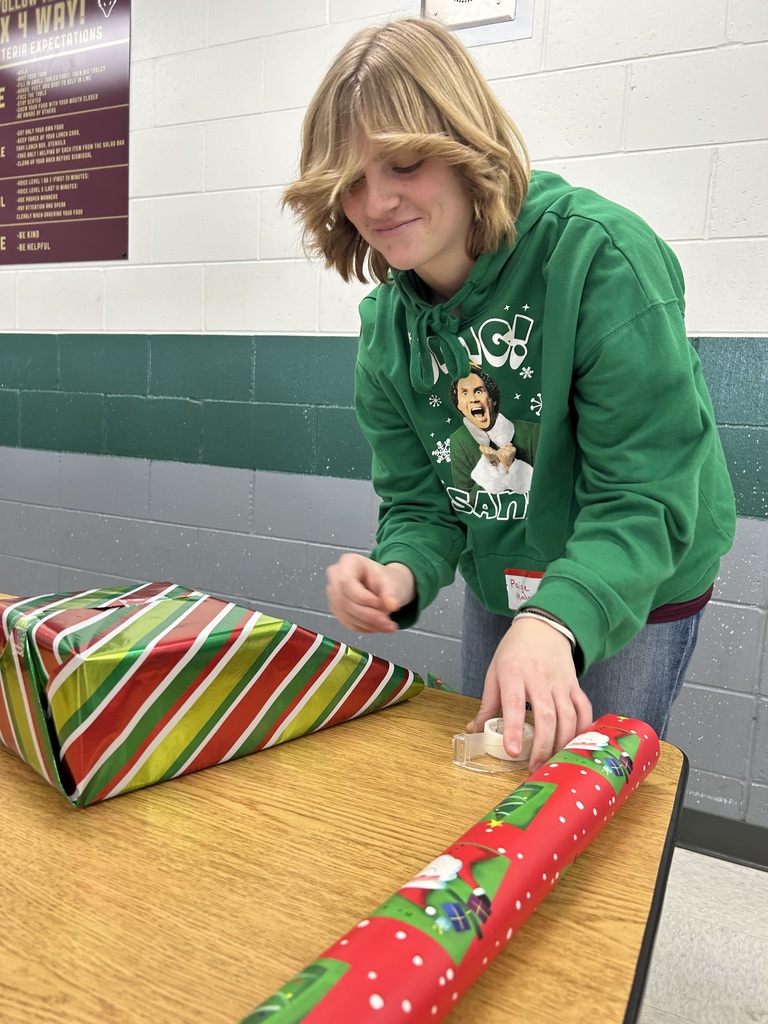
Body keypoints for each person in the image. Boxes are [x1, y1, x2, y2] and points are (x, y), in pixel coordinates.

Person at [281, 17, 736, 772]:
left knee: (583, 794)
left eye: (404, 164)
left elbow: (645, 495)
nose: (378, 201)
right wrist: (398, 573)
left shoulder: (599, 257)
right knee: (495, 778)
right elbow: (426, 505)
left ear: (465, 148)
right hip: (508, 573)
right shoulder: (387, 333)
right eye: (353, 182)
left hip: (638, 577)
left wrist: (557, 619)